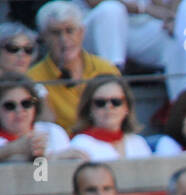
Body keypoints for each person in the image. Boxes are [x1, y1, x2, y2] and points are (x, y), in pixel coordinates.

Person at [27, 2, 119, 133]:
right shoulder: (33, 78)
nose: (64, 39)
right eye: (55, 33)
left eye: (69, 31)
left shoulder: (106, 69)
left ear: (81, 32)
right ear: (43, 37)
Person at [0, 72, 86, 162]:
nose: (19, 110)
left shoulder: (53, 131)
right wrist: (13, 149)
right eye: (10, 106)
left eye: (26, 103)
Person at [68, 75, 153, 160]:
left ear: (127, 107)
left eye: (116, 101)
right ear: (89, 108)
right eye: (100, 103)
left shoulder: (138, 142)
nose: (109, 107)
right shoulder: (80, 144)